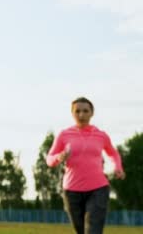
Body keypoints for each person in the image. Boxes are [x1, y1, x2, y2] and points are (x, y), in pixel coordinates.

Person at [46, 97, 126, 234]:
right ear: (72, 113)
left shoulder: (101, 136)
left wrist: (118, 167)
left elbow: (113, 153)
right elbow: (49, 159)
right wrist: (59, 158)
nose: (81, 115)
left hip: (98, 189)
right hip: (72, 191)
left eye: (85, 111)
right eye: (77, 111)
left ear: (91, 113)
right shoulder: (64, 135)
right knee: (81, 230)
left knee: (93, 230)